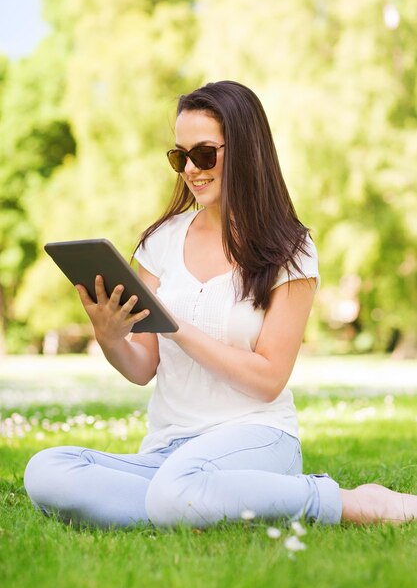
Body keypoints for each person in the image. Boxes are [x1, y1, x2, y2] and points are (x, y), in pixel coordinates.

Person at [24, 80, 417, 529]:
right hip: (170, 450)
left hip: (257, 438)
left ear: (246, 150)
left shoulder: (291, 249)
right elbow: (141, 368)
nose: (191, 169)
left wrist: (177, 328)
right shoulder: (162, 241)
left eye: (205, 154)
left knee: (178, 490)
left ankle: (351, 503)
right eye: (180, 156)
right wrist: (110, 336)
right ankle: (189, 504)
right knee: (48, 471)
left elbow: (268, 379)